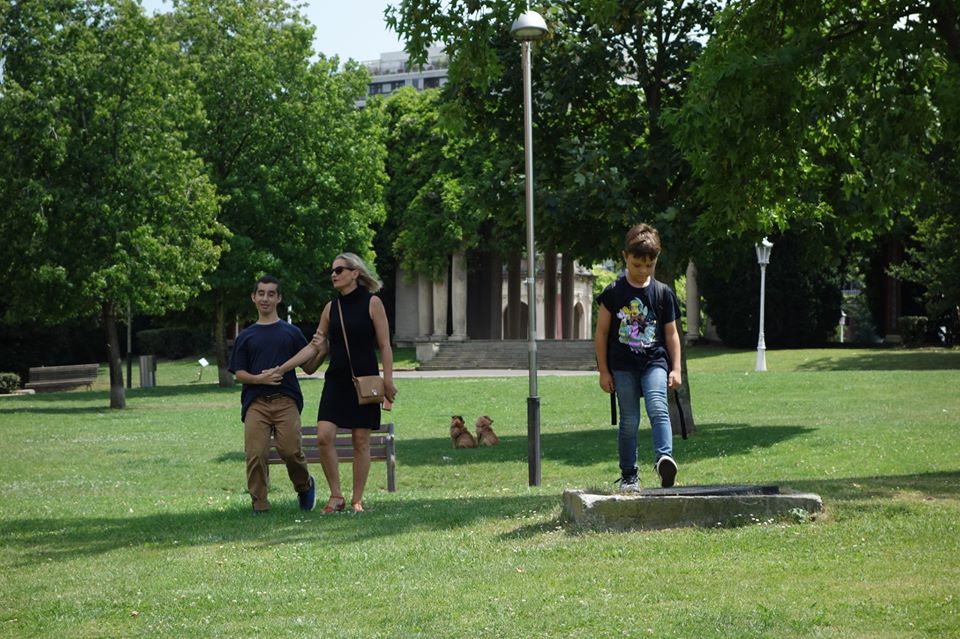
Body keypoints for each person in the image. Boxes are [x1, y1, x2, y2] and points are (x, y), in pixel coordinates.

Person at [277, 253, 397, 513]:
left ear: (355, 273)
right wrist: (283, 368)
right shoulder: (331, 308)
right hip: (336, 380)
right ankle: (336, 495)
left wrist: (388, 380)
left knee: (360, 440)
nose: (334, 274)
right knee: (324, 436)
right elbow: (315, 345)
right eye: (332, 271)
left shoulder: (372, 302)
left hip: (364, 380)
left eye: (339, 270)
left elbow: (385, 345)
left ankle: (356, 500)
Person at [595, 223, 682, 491]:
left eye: (649, 265)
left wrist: (676, 368)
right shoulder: (613, 292)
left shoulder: (663, 293)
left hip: (654, 362)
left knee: (658, 407)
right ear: (625, 257)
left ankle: (664, 459)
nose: (643, 270)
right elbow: (601, 333)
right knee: (629, 420)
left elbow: (671, 334)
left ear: (656, 259)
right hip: (622, 366)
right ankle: (629, 475)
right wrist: (603, 371)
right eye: (637, 264)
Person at [228, 275, 316, 514]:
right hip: (256, 403)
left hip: (286, 401)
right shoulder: (246, 336)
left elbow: (309, 366)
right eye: (261, 293)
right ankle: (260, 504)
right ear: (253, 297)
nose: (265, 298)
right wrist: (260, 379)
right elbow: (239, 373)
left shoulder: (291, 332)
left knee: (290, 451)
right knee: (256, 454)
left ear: (279, 298)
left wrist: (322, 347)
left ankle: (305, 486)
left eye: (271, 294)